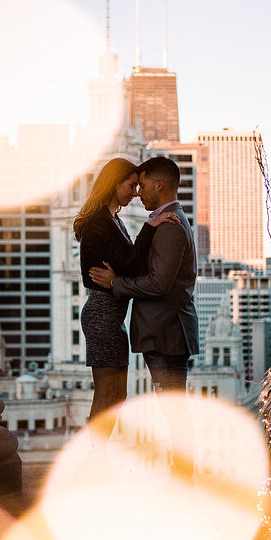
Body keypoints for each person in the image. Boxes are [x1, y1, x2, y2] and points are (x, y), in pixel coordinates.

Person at [90, 156, 199, 475]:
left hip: (166, 332)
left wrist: (116, 284)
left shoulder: (170, 225)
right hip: (165, 330)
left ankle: (181, 478)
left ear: (160, 185)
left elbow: (159, 283)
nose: (139, 192)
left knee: (173, 410)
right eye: (133, 186)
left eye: (144, 185)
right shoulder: (166, 220)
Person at [74, 157, 177, 435]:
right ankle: (94, 459)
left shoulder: (113, 219)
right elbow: (129, 263)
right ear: (114, 184)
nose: (135, 193)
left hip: (113, 316)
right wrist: (152, 226)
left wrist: (118, 278)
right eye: (131, 186)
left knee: (118, 397)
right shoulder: (98, 222)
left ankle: (100, 456)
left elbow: (127, 266)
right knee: (106, 395)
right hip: (102, 314)